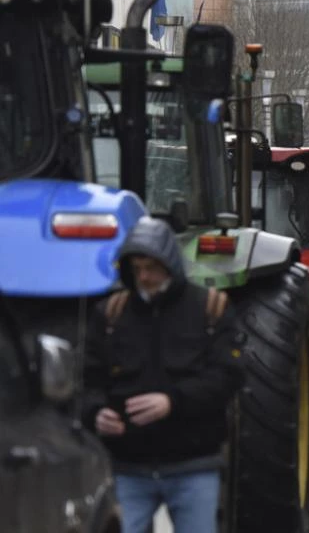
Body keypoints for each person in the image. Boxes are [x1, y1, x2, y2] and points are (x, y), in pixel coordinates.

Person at [83, 217, 244, 533]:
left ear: (170, 263)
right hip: (128, 468)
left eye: (151, 267)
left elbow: (228, 377)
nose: (144, 277)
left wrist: (173, 401)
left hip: (193, 466)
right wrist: (95, 413)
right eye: (137, 268)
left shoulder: (210, 308)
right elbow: (89, 380)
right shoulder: (111, 314)